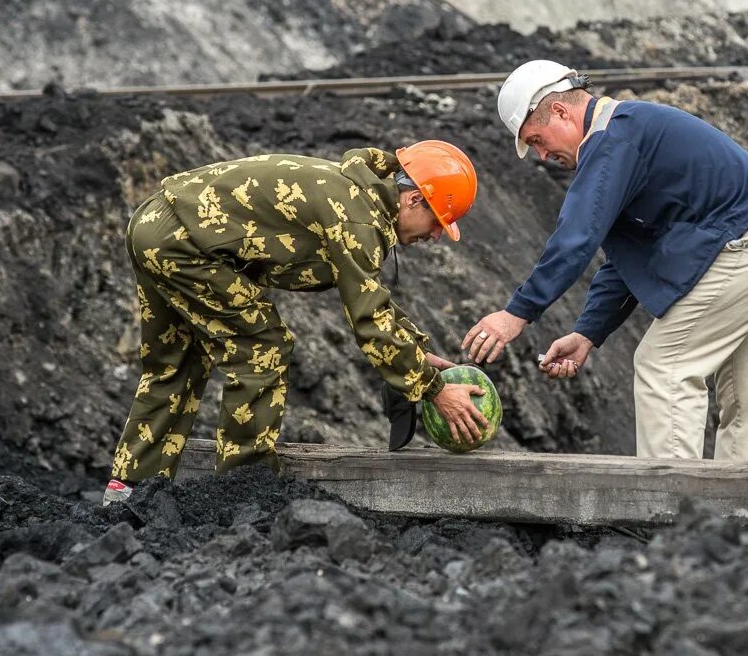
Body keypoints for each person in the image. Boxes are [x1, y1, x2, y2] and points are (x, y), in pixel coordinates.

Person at [462, 60, 748, 462]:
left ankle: (674, 514)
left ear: (560, 111)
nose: (542, 155)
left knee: (664, 368)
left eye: (537, 139)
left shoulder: (613, 138)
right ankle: (742, 518)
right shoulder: (629, 135)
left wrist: (516, 314)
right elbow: (627, 256)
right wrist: (588, 333)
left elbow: (577, 238)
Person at [104, 142, 487, 505]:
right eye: (438, 221)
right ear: (414, 198)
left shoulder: (356, 197)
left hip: (154, 226)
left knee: (177, 361)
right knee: (262, 348)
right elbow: (368, 319)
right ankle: (243, 491)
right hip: (182, 246)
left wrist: (415, 351)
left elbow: (370, 296)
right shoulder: (357, 217)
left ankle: (129, 489)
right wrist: (434, 389)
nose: (436, 235)